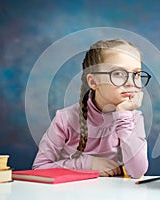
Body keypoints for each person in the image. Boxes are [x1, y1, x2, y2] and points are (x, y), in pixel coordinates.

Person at [32, 39, 151, 178]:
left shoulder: (133, 119)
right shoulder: (65, 119)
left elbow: (137, 172)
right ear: (93, 82)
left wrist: (123, 116)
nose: (131, 83)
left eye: (136, 74)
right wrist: (87, 164)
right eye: (118, 74)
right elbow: (39, 167)